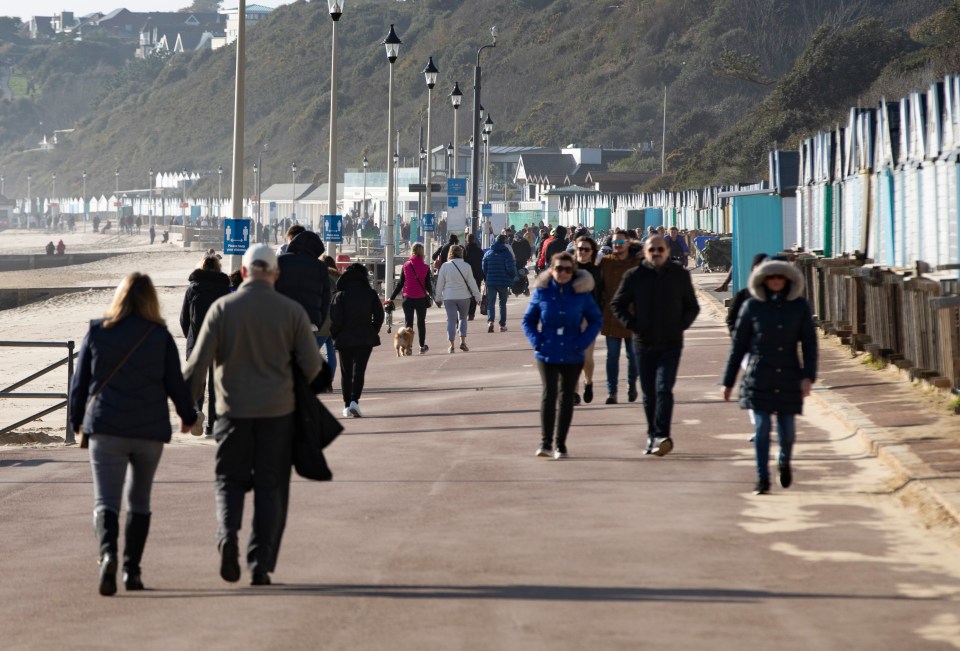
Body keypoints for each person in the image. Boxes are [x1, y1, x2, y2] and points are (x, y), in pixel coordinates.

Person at [183, 244, 325, 586]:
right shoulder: (291, 311)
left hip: (232, 412)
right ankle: (259, 563)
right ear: (275, 275)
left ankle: (227, 536)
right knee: (270, 487)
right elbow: (314, 366)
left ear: (243, 273)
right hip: (278, 413)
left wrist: (189, 410)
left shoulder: (222, 309)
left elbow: (196, 365)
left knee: (228, 480)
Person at [69, 273, 196, 596]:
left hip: (106, 428)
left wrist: (76, 421)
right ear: (151, 300)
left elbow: (79, 384)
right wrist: (188, 416)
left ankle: (108, 554)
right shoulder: (159, 335)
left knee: (106, 500)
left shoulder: (97, 332)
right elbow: (175, 384)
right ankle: (132, 571)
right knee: (139, 499)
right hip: (149, 430)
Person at [722, 259, 818, 495]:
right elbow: (739, 346)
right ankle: (762, 478)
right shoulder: (752, 306)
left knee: (788, 431)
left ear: (787, 280)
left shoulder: (799, 307)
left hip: (788, 375)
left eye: (780, 277)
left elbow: (809, 344)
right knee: (762, 427)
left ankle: (784, 461)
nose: (775, 281)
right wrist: (728, 380)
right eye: (771, 277)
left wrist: (808, 376)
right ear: (763, 280)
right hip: (759, 375)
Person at [611, 235, 700, 456]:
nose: (657, 253)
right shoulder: (635, 275)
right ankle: (652, 435)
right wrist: (633, 325)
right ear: (646, 252)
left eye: (661, 249)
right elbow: (617, 304)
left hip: (671, 343)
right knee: (649, 392)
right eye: (652, 250)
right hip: (643, 343)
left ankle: (663, 435)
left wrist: (680, 325)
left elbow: (692, 307)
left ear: (667, 251)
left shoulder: (679, 275)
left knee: (664, 389)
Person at [522, 252, 602, 459]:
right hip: (546, 352)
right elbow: (528, 320)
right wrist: (537, 342)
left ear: (573, 271)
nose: (563, 273)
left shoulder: (581, 293)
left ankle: (561, 444)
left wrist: (582, 343)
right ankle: (545, 443)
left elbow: (595, 320)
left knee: (566, 398)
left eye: (568, 269)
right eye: (559, 268)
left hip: (573, 352)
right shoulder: (542, 292)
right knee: (549, 396)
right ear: (551, 269)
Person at [179, 255, 231, 438]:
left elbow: (184, 318)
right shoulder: (225, 288)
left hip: (197, 343)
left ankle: (196, 413)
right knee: (215, 385)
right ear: (218, 268)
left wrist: (190, 337)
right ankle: (213, 424)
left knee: (197, 383)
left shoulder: (192, 288)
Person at [330, 262, 384, 417]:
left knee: (346, 372)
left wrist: (336, 335)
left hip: (344, 338)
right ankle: (355, 400)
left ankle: (347, 405)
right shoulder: (370, 293)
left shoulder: (339, 295)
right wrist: (373, 330)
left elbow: (335, 318)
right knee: (358, 371)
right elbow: (379, 315)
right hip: (365, 337)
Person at [598, 229, 641, 404]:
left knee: (633, 356)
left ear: (628, 244)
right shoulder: (606, 263)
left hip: (633, 317)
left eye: (621, 242)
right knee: (612, 356)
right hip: (611, 316)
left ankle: (631, 384)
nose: (617, 245)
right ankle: (612, 392)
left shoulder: (637, 263)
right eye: (615, 242)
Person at [275, 229, 331, 350]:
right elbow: (326, 299)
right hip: (309, 324)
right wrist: (318, 323)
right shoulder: (320, 267)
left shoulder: (280, 261)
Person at [435, 244, 481, 353]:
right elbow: (472, 283)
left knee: (451, 320)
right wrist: (477, 296)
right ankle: (463, 342)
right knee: (463, 319)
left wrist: (438, 298)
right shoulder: (466, 266)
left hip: (449, 297)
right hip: (464, 297)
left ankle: (451, 345)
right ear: (461, 253)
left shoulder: (445, 266)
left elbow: (440, 284)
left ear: (450, 253)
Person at [572, 236, 602, 404]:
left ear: (592, 252)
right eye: (580, 249)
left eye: (586, 249)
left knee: (586, 358)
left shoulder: (596, 272)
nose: (582, 252)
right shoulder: (568, 269)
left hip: (588, 318)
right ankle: (574, 392)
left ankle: (588, 382)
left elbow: (600, 297)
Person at [390, 241, 433, 354]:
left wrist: (392, 297)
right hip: (420, 298)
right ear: (422, 253)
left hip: (407, 298)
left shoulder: (406, 265)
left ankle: (408, 347)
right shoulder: (426, 267)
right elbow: (428, 285)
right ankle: (422, 346)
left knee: (408, 323)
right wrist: (434, 296)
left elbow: (400, 284)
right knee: (421, 323)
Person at [482, 234, 518, 333]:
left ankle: (490, 321)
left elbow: (484, 267)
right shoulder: (507, 253)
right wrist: (512, 277)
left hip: (491, 281)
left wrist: (488, 275)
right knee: (502, 304)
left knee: (491, 303)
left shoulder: (488, 253)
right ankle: (502, 325)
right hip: (503, 281)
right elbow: (511, 268)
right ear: (504, 242)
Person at [316, 256, 341, 390]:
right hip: (335, 321)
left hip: (322, 320)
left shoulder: (321, 278)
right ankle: (329, 380)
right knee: (330, 351)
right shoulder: (339, 278)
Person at [463, 233, 485, 321]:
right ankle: (472, 313)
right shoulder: (479, 251)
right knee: (475, 293)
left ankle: (468, 311)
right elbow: (482, 264)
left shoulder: (464, 251)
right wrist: (483, 275)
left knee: (466, 294)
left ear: (467, 240)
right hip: (477, 275)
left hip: (466, 276)